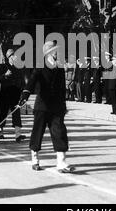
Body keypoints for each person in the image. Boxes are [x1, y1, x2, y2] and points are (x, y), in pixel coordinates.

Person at [18, 41, 74, 173]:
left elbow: (61, 89)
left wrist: (64, 106)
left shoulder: (59, 67)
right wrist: (25, 94)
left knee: (59, 132)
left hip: (57, 106)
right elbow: (32, 81)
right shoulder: (40, 66)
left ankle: (61, 162)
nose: (58, 53)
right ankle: (35, 159)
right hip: (42, 106)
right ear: (49, 53)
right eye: (55, 50)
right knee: (38, 132)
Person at [0, 49, 26, 142]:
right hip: (5, 93)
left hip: (15, 94)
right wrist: (5, 75)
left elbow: (22, 81)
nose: (16, 57)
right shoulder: (2, 67)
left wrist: (23, 93)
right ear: (9, 57)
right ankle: (0, 132)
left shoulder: (19, 68)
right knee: (3, 113)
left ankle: (18, 134)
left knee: (16, 114)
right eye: (14, 56)